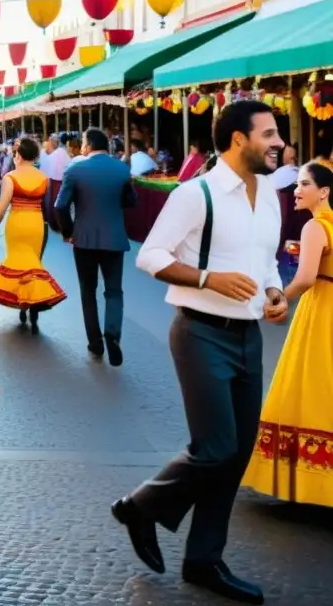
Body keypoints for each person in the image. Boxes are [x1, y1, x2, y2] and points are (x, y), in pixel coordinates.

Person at [113, 100, 286, 605]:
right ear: (238, 139)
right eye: (270, 133)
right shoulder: (197, 193)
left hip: (248, 335)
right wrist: (210, 278)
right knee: (214, 448)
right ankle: (140, 506)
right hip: (200, 333)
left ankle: (203, 559)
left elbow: (265, 260)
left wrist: (273, 292)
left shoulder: (270, 194)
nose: (279, 142)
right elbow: (149, 255)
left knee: (235, 454)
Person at [242, 161, 333, 507]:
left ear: (323, 192)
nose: (296, 190)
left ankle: (307, 477)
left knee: (310, 384)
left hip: (321, 309)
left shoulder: (315, 226)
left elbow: (307, 277)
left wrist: (280, 299)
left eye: (304, 184)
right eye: (297, 184)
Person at [54, 128, 137, 366]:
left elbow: (60, 206)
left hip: (84, 239)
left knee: (87, 291)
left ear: (88, 145)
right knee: (114, 290)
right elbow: (131, 201)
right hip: (114, 238)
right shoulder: (122, 169)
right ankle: (113, 332)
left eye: (82, 143)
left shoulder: (75, 169)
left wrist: (68, 232)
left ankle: (95, 342)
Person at [0, 138, 66, 333]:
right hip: (36, 224)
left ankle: (22, 304)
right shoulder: (43, 178)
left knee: (19, 263)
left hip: (17, 225)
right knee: (33, 264)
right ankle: (34, 308)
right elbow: (47, 207)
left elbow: (2, 207)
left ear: (18, 155)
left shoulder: (10, 177)